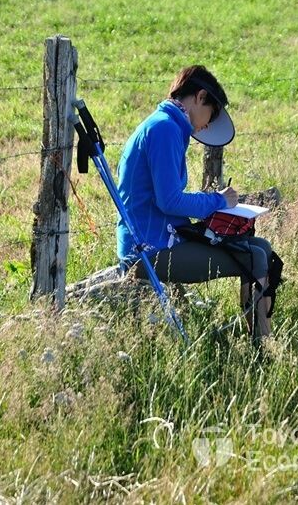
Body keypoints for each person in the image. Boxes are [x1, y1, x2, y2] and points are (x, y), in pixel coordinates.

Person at [117, 65, 275, 338]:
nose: (208, 124)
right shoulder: (165, 129)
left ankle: (259, 338)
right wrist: (218, 201)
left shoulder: (165, 125)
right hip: (148, 250)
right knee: (254, 257)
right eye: (212, 114)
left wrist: (213, 206)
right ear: (200, 97)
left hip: (162, 239)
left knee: (262, 247)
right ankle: (263, 344)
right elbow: (169, 201)